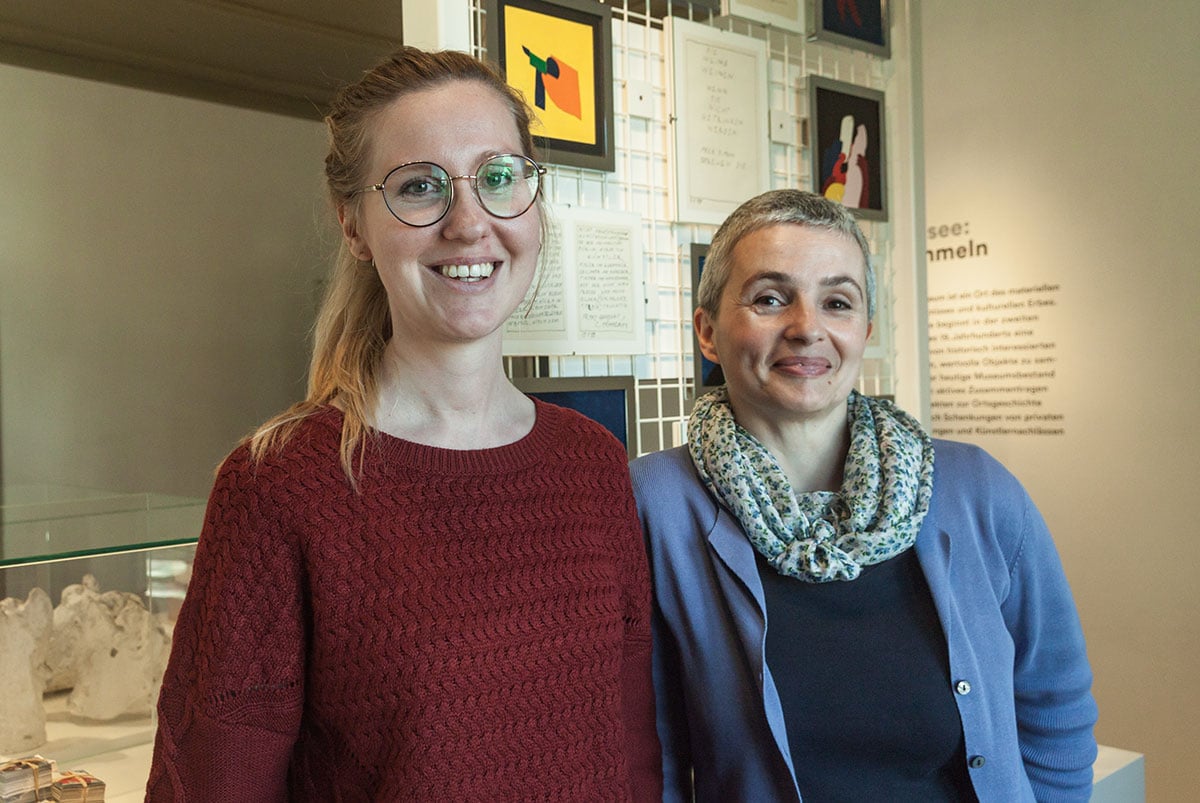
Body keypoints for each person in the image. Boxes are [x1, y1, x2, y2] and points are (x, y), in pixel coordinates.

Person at [145, 47, 661, 801]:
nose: (469, 223)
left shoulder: (592, 464)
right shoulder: (279, 486)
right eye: (420, 187)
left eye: (498, 178)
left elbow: (631, 760)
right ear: (353, 224)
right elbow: (212, 783)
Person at [630, 189, 1097, 801]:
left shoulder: (978, 493)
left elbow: (1054, 707)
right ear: (708, 331)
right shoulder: (653, 508)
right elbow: (647, 755)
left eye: (837, 302)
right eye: (770, 298)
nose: (807, 328)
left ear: (865, 331)